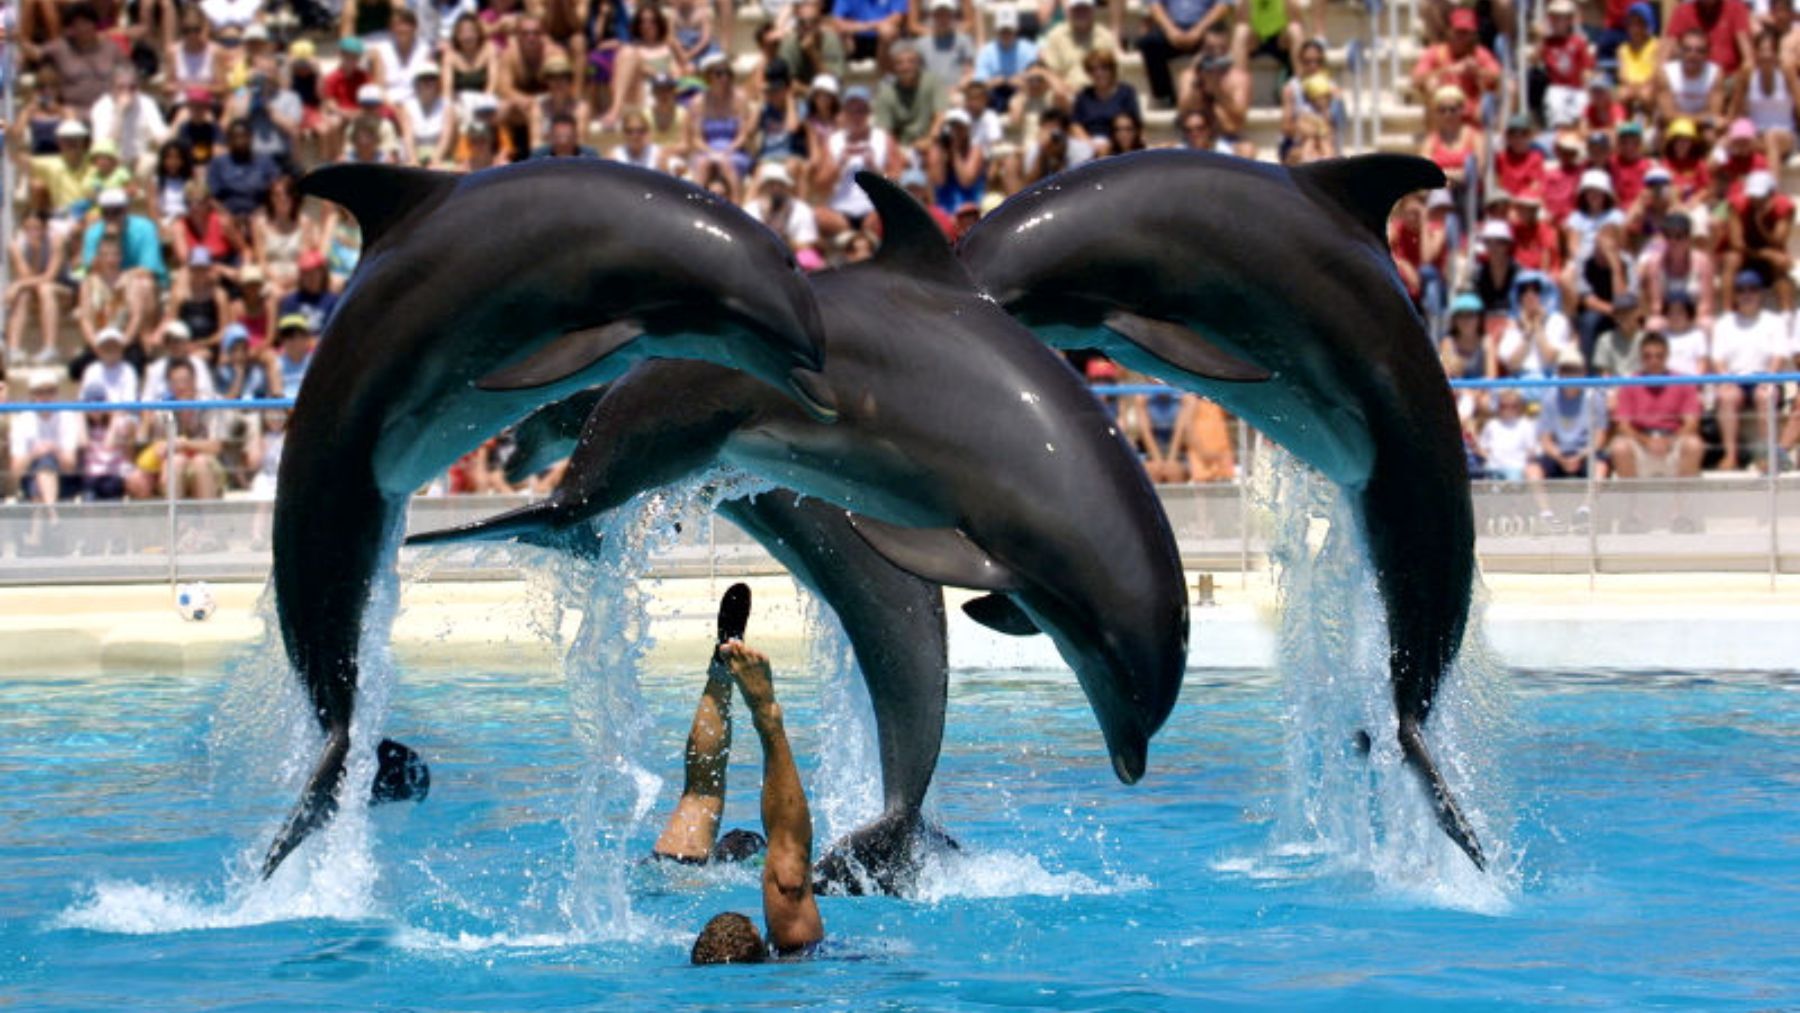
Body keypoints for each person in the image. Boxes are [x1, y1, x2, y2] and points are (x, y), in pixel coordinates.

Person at [686, 640, 825, 964]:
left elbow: (790, 871)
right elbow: (787, 875)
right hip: (679, 867)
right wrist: (766, 713)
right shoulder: (794, 956)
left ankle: (720, 678)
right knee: (698, 799)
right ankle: (719, 676)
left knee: (698, 798)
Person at [1708, 270, 1787, 469]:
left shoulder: (1774, 321)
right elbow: (1718, 359)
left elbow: (1779, 356)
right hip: (1734, 378)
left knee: (1765, 394)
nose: (1747, 294)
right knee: (1727, 396)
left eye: (1752, 289)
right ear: (1735, 295)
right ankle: (1730, 456)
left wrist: (1768, 378)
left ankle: (1766, 456)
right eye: (1741, 290)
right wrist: (1726, 379)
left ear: (1760, 294)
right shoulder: (1724, 323)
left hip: (1764, 376)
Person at [1525, 346, 1609, 527]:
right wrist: (1560, 457)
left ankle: (1585, 512)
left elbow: (1600, 438)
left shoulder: (1594, 396)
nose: (1570, 376)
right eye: (1566, 370)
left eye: (1575, 370)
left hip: (1586, 453)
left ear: (1583, 372)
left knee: (1600, 467)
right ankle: (1546, 515)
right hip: (1559, 452)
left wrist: (1581, 455)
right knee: (1532, 470)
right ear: (1559, 373)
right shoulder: (1549, 397)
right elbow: (1545, 439)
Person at [1609, 331, 1705, 482]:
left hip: (1673, 440)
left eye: (1659, 356)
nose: (1653, 361)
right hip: (1641, 441)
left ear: (1667, 356)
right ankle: (1630, 503)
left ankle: (1682, 504)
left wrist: (1669, 441)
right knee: (1619, 447)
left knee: (1694, 445)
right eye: (1648, 356)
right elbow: (1622, 425)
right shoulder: (1630, 383)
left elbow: (1692, 423)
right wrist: (1647, 441)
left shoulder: (1683, 382)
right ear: (1641, 357)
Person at [11, 370, 84, 504]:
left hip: (64, 479)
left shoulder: (67, 417)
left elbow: (70, 466)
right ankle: (51, 513)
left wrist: (54, 450)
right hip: (30, 477)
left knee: (45, 465)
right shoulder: (22, 420)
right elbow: (16, 470)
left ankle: (48, 515)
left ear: (56, 393)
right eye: (40, 392)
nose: (45, 397)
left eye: (50, 391)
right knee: (42, 467)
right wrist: (34, 454)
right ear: (32, 395)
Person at [1040, 0, 1119, 94]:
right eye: (1077, 9)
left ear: (1093, 10)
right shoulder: (1056, 36)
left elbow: (1113, 73)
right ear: (1069, 11)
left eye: (1085, 9)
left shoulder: (1105, 37)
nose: (1081, 13)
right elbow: (1050, 72)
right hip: (1066, 95)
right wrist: (1064, 90)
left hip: (1098, 95)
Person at [975, 4, 1036, 110]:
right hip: (993, 97)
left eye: (1009, 30)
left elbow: (1036, 79)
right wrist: (994, 82)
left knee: (1017, 103)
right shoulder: (986, 52)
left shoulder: (1029, 49)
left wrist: (1021, 82)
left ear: (1017, 29)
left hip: (1021, 95)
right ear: (996, 30)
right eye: (1002, 31)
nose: (1006, 34)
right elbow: (978, 85)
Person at [1478, 389, 1539, 480]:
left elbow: (1532, 451)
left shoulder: (1526, 425)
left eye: (1513, 406)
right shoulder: (1491, 425)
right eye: (1503, 406)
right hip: (1493, 468)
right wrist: (1491, 459)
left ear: (1519, 407)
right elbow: (1482, 448)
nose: (1508, 409)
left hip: (1517, 469)